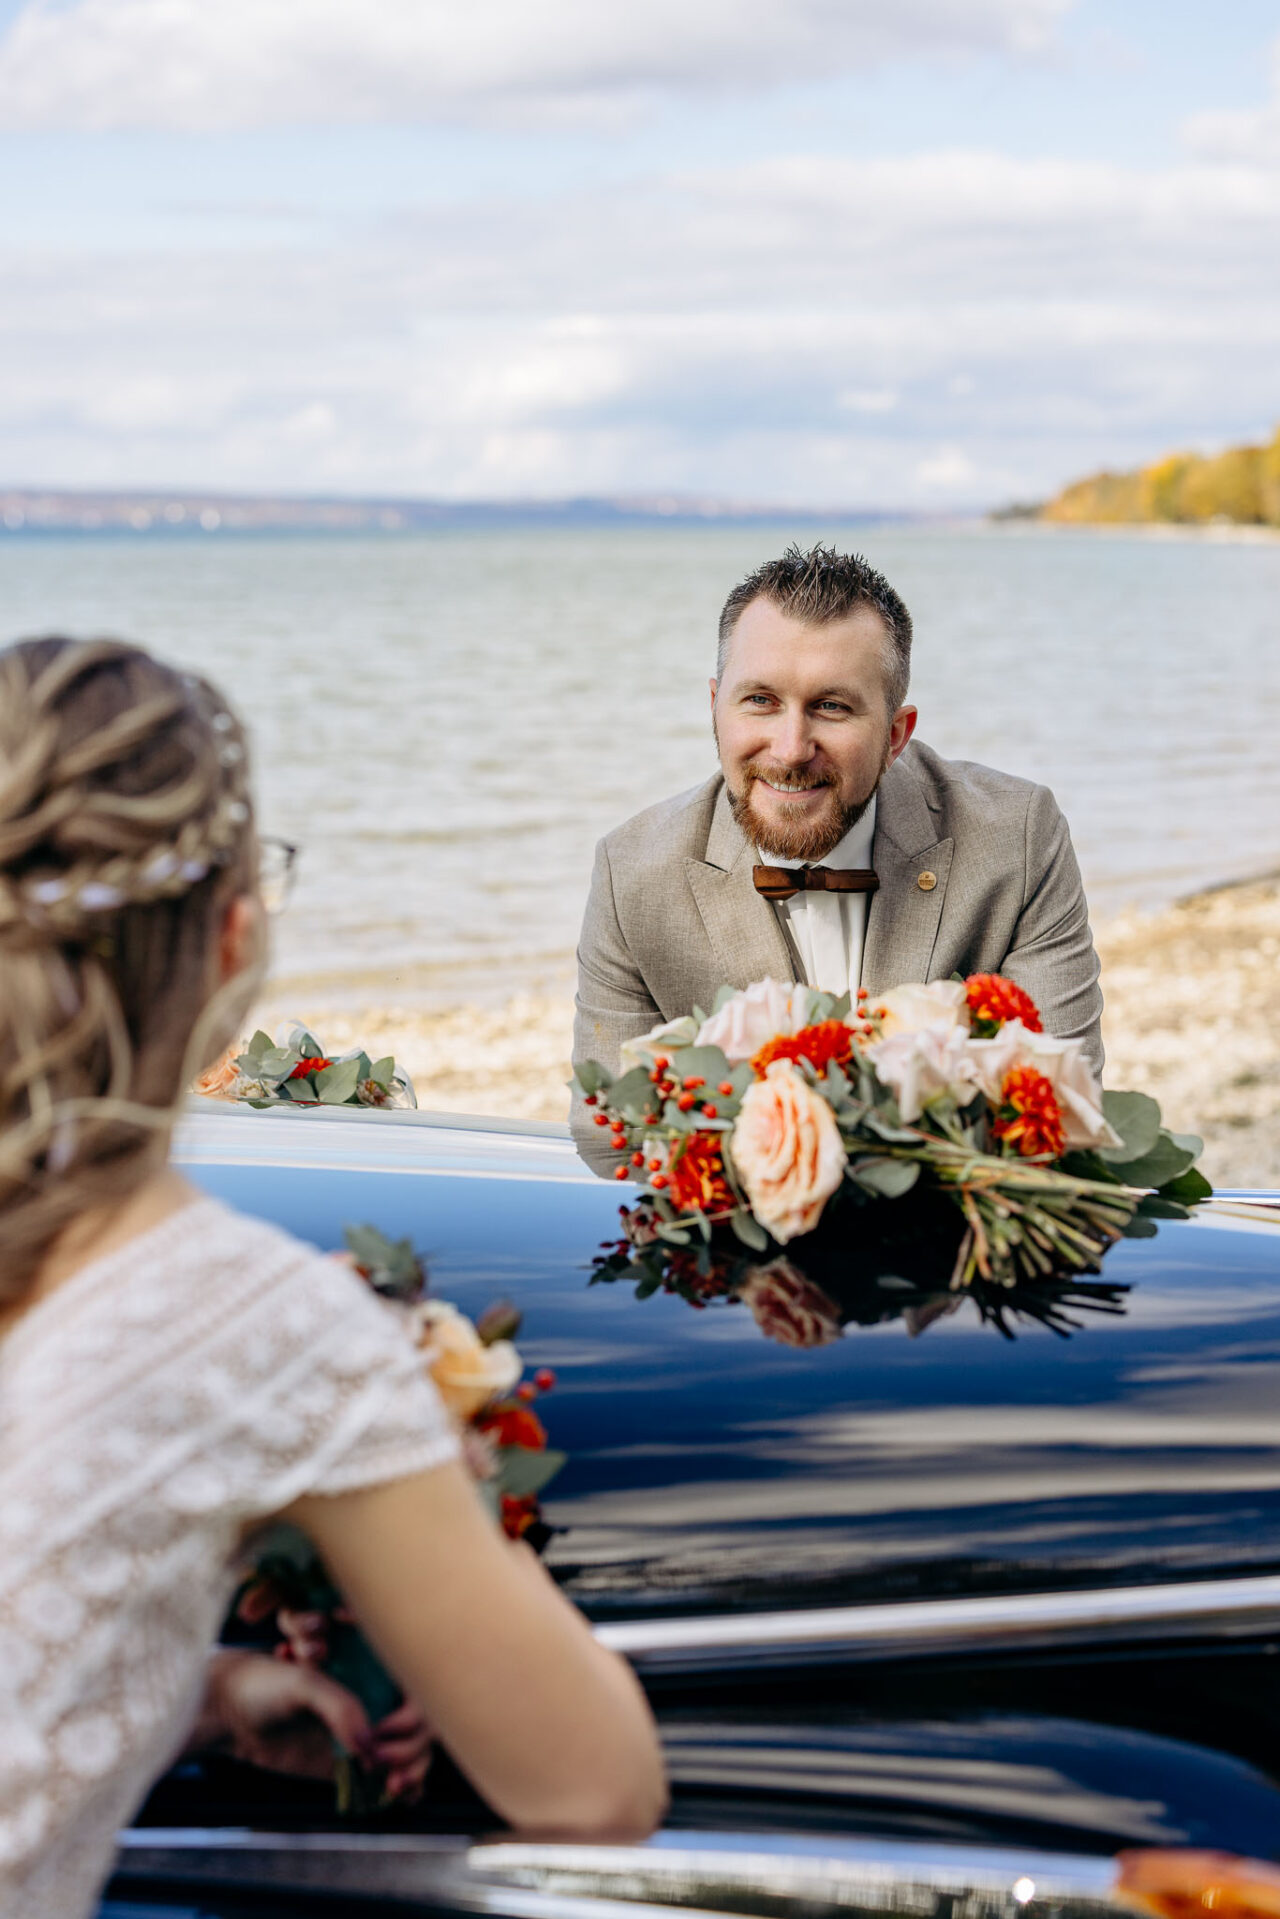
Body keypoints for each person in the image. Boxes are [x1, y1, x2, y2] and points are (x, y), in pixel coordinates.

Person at [0, 637, 665, 1918]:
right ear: (236, 939)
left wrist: (186, 1698)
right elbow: (594, 1787)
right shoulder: (254, 1321)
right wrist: (454, 1474)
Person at [573, 543, 1102, 1162]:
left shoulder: (1019, 837)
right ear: (715, 708)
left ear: (896, 735)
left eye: (832, 707)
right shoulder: (630, 875)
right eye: (760, 700)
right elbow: (613, 1146)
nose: (791, 748)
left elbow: (1060, 1120)